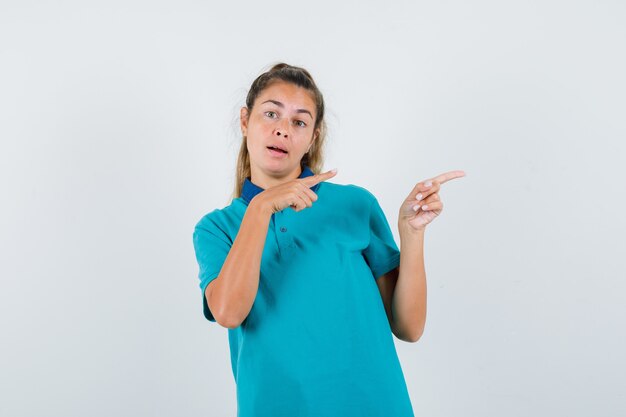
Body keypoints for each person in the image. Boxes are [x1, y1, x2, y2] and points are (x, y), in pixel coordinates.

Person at [192, 62, 465, 417]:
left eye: (299, 122)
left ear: (313, 137)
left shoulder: (354, 205)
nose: (282, 131)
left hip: (374, 405)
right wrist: (260, 210)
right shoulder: (216, 228)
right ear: (245, 122)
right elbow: (228, 312)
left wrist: (411, 234)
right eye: (271, 114)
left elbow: (409, 327)